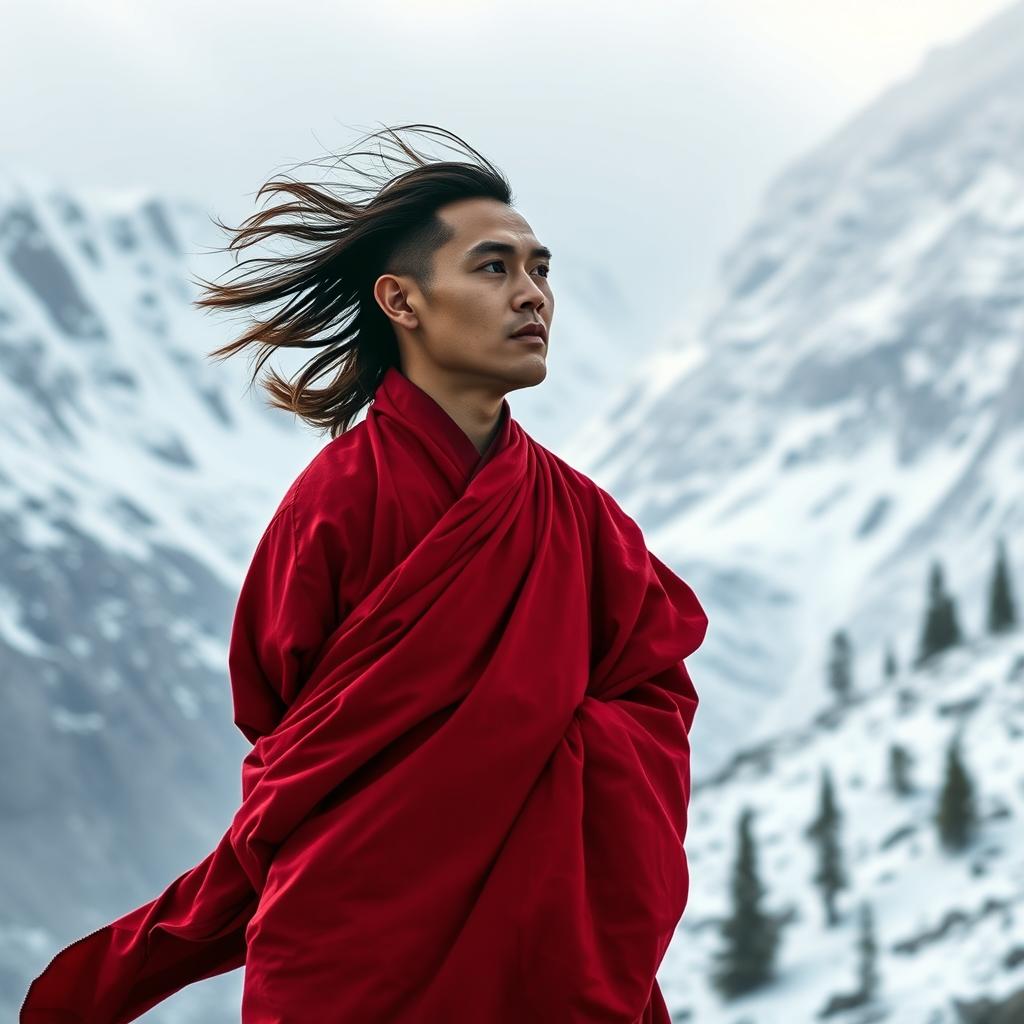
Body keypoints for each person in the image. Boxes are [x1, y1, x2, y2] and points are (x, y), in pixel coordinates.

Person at [21, 123, 709, 1023]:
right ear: (403, 300)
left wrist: (541, 751)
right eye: (494, 268)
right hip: (345, 950)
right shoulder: (335, 505)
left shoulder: (584, 523)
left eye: (542, 270)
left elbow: (654, 700)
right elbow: (288, 740)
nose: (533, 295)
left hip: (545, 950)